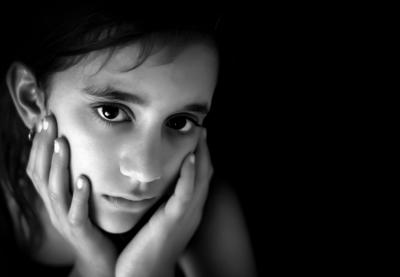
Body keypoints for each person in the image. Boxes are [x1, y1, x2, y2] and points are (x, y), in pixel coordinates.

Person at [0, 5, 257, 277]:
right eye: (111, 112)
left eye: (179, 122)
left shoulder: (206, 212)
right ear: (32, 99)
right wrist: (93, 267)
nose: (147, 172)